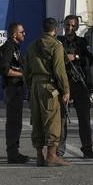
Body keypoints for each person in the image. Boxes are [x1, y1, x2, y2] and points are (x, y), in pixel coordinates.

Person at [24, 17, 70, 167]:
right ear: (55, 30)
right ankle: (51, 155)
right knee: (52, 120)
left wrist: (30, 85)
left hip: (34, 86)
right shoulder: (56, 45)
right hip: (49, 87)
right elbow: (59, 70)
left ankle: (39, 155)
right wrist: (66, 90)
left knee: (36, 119)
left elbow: (26, 69)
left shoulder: (32, 45)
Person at [57, 15, 93, 158]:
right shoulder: (59, 42)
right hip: (64, 84)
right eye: (67, 25)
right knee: (61, 119)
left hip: (80, 84)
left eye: (72, 26)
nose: (69, 28)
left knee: (84, 119)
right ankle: (60, 149)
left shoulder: (82, 42)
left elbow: (90, 59)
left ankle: (87, 148)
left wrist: (76, 57)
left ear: (77, 27)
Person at [0, 22, 29, 164]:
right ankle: (12, 154)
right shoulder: (8, 47)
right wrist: (22, 75)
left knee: (17, 122)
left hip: (17, 89)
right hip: (12, 89)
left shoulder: (15, 47)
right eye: (22, 32)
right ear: (14, 34)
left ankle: (15, 151)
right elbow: (3, 69)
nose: (24, 34)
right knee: (13, 122)